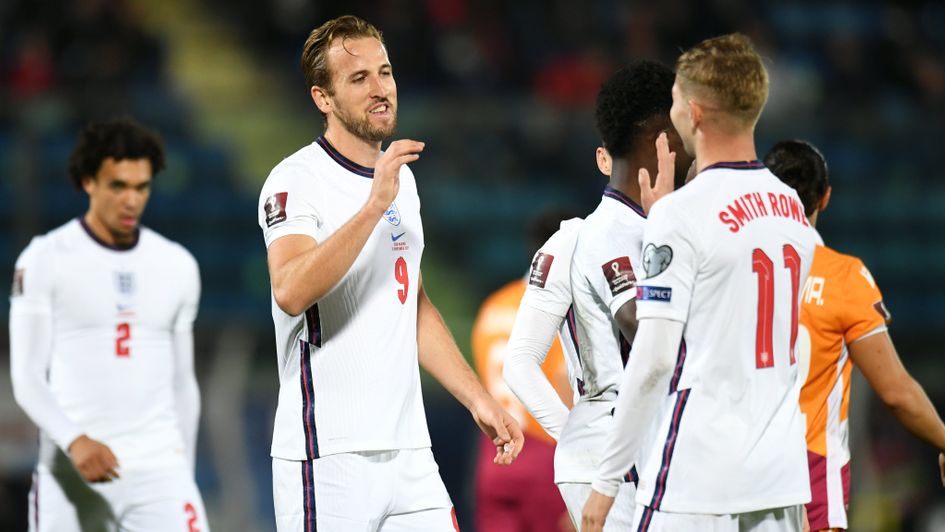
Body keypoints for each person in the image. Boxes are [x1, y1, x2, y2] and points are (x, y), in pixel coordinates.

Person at [257, 15, 523, 531]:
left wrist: (477, 399)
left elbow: (414, 306)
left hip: (409, 451)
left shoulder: (402, 183)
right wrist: (373, 205)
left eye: (385, 73)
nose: (380, 90)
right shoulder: (295, 180)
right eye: (359, 79)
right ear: (323, 98)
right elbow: (289, 289)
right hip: (327, 456)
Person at [582, 33, 817, 531]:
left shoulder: (681, 215)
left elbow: (654, 360)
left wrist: (604, 484)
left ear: (693, 112)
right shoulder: (793, 209)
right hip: (780, 478)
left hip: (697, 480)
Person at [504, 60, 691, 530]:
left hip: (631, 441)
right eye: (685, 127)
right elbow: (646, 329)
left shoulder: (646, 225)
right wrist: (577, 431)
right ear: (660, 138)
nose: (694, 145)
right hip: (617, 446)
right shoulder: (609, 231)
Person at [9, 117, 209, 531]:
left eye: (142, 187)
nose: (131, 200)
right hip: (72, 470)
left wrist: (182, 472)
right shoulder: (44, 258)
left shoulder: (177, 265)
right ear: (88, 182)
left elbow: (182, 381)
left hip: (159, 470)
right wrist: (74, 440)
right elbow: (27, 375)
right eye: (118, 186)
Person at [764, 139, 945, 531]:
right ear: (825, 198)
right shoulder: (844, 277)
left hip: (741, 467)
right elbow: (896, 391)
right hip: (812, 471)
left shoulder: (732, 272)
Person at [472, 211, 577, 532]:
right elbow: (563, 385)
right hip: (544, 457)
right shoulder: (555, 309)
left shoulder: (493, 305)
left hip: (495, 454)